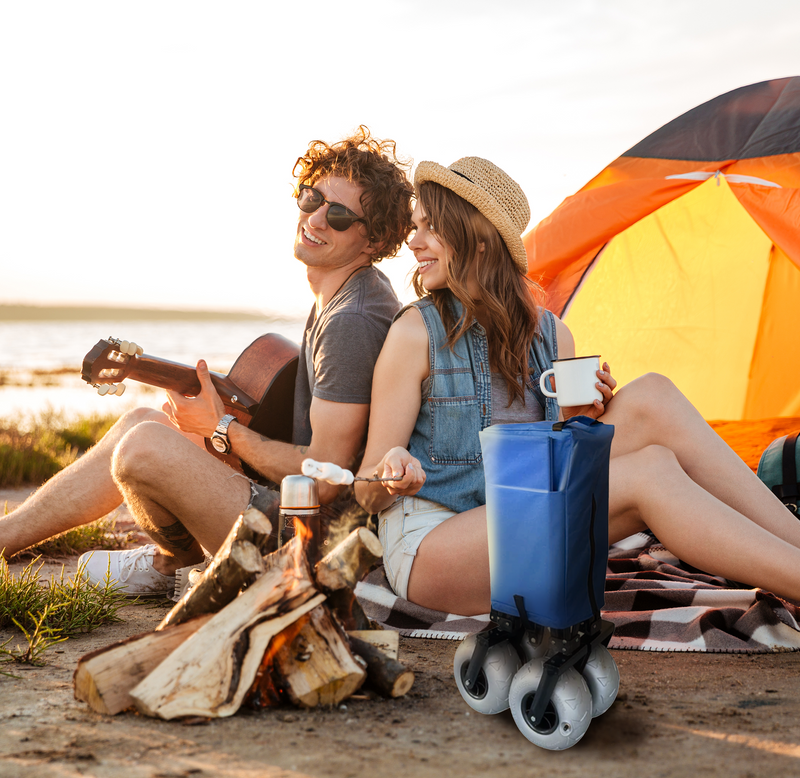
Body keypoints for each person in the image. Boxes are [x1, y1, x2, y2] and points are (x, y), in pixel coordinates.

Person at [355, 156, 800, 617]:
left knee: (652, 395)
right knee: (649, 471)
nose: (414, 240)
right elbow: (365, 490)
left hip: (522, 514)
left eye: (429, 227)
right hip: (436, 548)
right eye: (415, 226)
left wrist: (584, 419)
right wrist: (391, 473)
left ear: (478, 237)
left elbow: (564, 457)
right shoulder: (415, 334)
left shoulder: (552, 335)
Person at [0, 126, 413, 598]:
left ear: (374, 241)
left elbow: (324, 482)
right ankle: (6, 539)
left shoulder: (352, 320)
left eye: (338, 215)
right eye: (311, 198)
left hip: (316, 545)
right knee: (143, 419)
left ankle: (176, 565)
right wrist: (219, 428)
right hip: (295, 512)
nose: (316, 219)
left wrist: (223, 430)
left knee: (143, 448)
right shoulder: (341, 295)